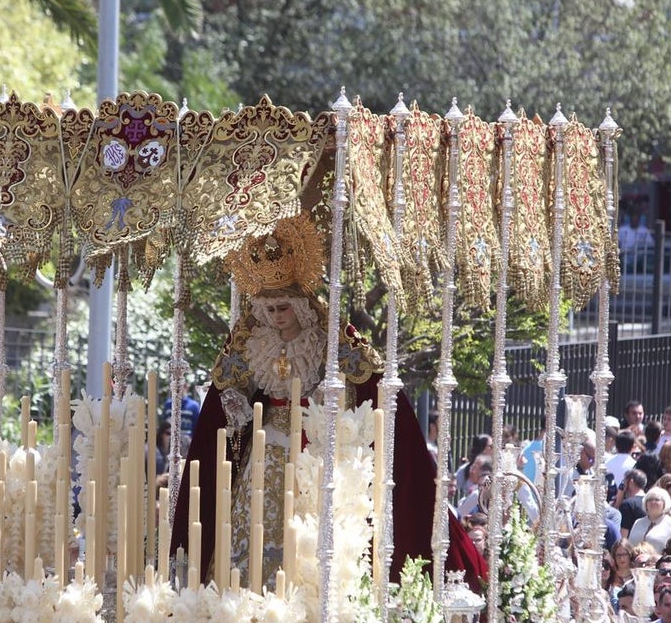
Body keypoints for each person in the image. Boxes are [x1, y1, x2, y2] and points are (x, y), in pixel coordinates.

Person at [169, 213, 486, 591]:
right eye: (268, 310)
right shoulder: (250, 342)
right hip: (263, 455)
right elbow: (225, 399)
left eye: (282, 308)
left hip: (311, 456)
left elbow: (367, 387)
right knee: (250, 535)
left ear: (300, 305)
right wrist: (234, 406)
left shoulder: (330, 340)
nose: (275, 318)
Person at [627, 487, 671, 552]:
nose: (653, 502)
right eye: (650, 500)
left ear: (664, 504)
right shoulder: (638, 522)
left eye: (657, 500)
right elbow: (629, 546)